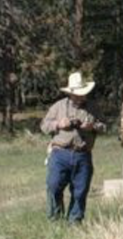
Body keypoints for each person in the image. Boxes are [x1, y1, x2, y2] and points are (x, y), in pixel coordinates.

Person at [40, 72, 106, 224]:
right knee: (54, 186)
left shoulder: (93, 107)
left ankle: (74, 222)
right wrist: (58, 124)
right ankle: (55, 220)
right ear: (70, 93)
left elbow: (104, 126)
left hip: (83, 154)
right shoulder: (58, 106)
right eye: (76, 94)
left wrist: (92, 126)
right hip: (60, 153)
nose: (80, 97)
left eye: (82, 94)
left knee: (80, 191)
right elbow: (44, 125)